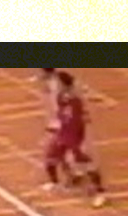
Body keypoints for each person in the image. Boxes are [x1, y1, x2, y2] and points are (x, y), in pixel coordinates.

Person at [43, 72, 107, 207]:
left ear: (63, 84)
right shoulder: (61, 97)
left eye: (58, 83)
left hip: (74, 137)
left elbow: (79, 120)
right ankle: (56, 182)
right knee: (50, 157)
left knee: (86, 164)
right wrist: (56, 125)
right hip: (63, 133)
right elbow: (61, 115)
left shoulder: (75, 99)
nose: (55, 85)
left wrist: (78, 141)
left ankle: (100, 193)